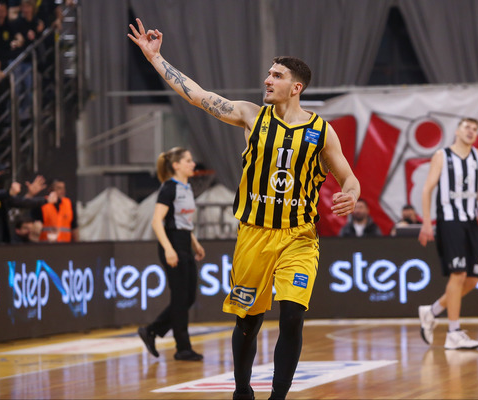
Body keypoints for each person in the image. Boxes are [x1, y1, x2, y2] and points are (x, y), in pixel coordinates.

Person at [129, 18, 360, 400]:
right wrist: (156, 59)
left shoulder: (321, 131)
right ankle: (242, 391)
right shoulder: (251, 116)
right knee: (248, 322)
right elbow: (197, 95)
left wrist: (351, 193)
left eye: (276, 75)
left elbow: (349, 178)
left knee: (292, 315)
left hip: (299, 237)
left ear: (296, 87)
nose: (267, 80)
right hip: (253, 235)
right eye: (268, 73)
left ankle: (278, 396)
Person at [417, 117, 478, 350]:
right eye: (467, 127)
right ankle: (453, 332)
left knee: (473, 279)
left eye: (475, 129)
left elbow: (477, 182)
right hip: (449, 220)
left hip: (470, 220)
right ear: (457, 131)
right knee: (458, 275)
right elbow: (427, 189)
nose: (471, 131)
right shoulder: (442, 155)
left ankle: (432, 311)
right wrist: (426, 222)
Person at [137, 147, 206, 362]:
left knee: (188, 297)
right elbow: (157, 221)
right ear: (176, 165)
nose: (192, 164)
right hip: (172, 243)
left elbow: (184, 221)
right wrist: (168, 249)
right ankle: (182, 348)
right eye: (188, 160)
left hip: (184, 242)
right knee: (179, 298)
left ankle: (152, 330)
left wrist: (195, 243)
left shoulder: (187, 187)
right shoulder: (169, 188)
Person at [0, 161, 57, 244]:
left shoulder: (2, 196)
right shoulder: (2, 194)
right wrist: (8, 193)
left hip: (1, 243)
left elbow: (20, 204)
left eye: (2, 173)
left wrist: (45, 200)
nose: (1, 176)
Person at [31, 178, 79, 242]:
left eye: (63, 188)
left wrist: (78, 243)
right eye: (59, 188)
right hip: (46, 244)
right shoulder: (42, 204)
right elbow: (35, 228)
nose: (62, 191)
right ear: (51, 190)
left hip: (65, 244)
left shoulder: (69, 204)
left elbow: (74, 227)